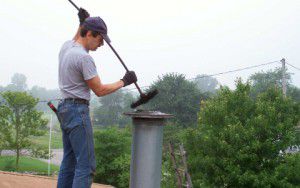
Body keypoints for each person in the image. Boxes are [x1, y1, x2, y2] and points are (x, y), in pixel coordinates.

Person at [56, 8, 137, 188]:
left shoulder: (66, 48)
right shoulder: (84, 58)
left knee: (69, 162)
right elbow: (99, 90)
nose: (101, 45)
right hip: (77, 111)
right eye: (100, 40)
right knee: (86, 166)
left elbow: (75, 38)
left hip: (64, 110)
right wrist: (124, 81)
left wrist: (81, 23)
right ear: (90, 34)